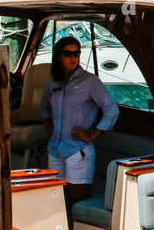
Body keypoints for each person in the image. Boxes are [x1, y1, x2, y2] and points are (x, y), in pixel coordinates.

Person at [40, 36, 119, 208]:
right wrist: (49, 126)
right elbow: (44, 107)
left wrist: (93, 134)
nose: (73, 58)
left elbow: (112, 109)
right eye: (68, 53)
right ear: (58, 56)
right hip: (55, 149)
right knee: (56, 201)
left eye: (76, 53)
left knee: (76, 200)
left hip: (78, 150)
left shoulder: (90, 81)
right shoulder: (53, 81)